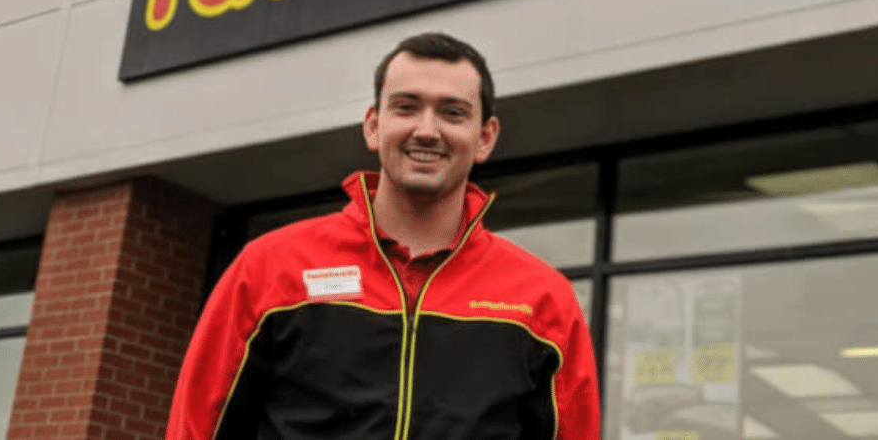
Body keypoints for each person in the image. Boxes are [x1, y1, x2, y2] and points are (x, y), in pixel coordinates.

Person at [165, 32, 600, 439]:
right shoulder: (268, 270)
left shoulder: (545, 303)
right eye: (406, 107)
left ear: (485, 138)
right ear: (373, 126)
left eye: (452, 112)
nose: (427, 130)